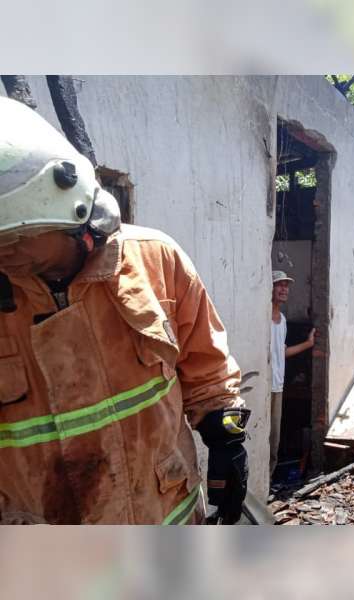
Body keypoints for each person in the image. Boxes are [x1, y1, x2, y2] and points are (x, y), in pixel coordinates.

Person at [0, 96, 249, 524]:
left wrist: (228, 443)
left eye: (17, 237)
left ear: (68, 216)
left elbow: (207, 369)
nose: (6, 252)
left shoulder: (155, 260)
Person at [269, 270, 315, 478]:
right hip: (264, 386)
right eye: (279, 284)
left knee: (274, 439)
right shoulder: (263, 318)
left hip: (277, 386)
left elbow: (282, 352)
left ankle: (268, 482)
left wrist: (309, 343)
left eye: (286, 285)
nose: (284, 289)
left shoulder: (283, 320)